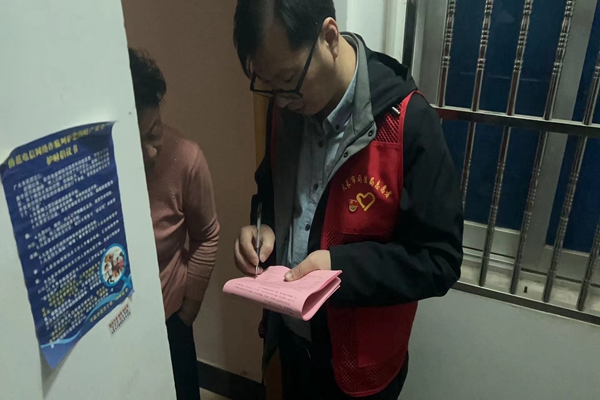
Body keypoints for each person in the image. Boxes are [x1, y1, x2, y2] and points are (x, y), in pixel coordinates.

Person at [232, 1, 463, 399]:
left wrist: (339, 268)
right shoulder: (285, 108)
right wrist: (262, 225)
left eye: (287, 78)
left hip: (360, 369)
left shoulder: (407, 123)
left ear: (329, 37)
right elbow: (268, 188)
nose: (280, 99)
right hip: (291, 343)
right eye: (267, 84)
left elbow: (439, 259)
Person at [129, 48, 220, 400]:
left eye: (153, 132)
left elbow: (207, 235)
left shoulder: (187, 159)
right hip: (117, 329)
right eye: (133, 142)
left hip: (171, 321)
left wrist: (187, 312)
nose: (149, 152)